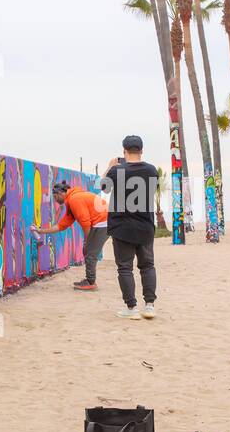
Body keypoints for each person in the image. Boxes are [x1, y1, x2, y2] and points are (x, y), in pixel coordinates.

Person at [102, 134, 157, 320]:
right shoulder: (151, 170)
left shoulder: (116, 170)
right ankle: (149, 306)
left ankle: (132, 308)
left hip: (122, 227)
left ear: (124, 150)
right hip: (146, 226)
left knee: (125, 268)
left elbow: (103, 188)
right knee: (147, 266)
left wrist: (111, 166)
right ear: (141, 151)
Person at [33, 179, 108, 291]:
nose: (55, 201)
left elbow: (85, 222)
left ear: (60, 193)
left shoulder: (74, 199)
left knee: (89, 252)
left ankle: (91, 282)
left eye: (55, 197)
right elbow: (62, 225)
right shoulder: (72, 200)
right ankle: (90, 280)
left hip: (103, 222)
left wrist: (87, 242)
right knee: (89, 251)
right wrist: (41, 231)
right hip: (103, 222)